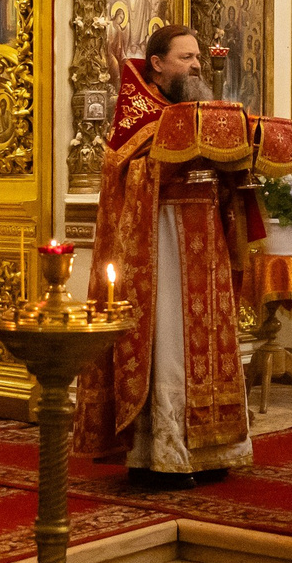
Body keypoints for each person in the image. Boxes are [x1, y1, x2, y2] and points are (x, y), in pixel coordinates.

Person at [76, 24, 258, 488]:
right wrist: (170, 158)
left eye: (198, 57)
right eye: (186, 58)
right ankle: (163, 453)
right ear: (157, 65)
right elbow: (123, 175)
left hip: (206, 240)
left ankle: (214, 449)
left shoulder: (204, 112)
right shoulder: (138, 116)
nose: (197, 65)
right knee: (170, 342)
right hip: (159, 246)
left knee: (212, 341)